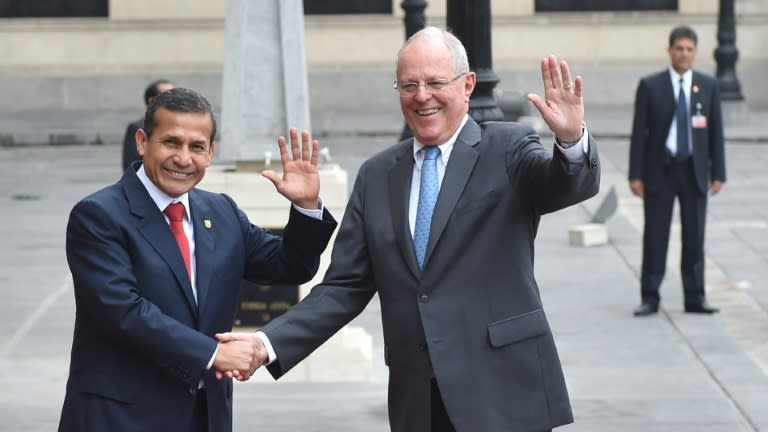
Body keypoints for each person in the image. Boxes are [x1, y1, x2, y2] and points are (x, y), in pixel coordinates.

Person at [217, 26, 600, 431]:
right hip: (419, 400)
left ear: (468, 85)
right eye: (409, 84)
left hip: (504, 393)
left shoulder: (507, 147)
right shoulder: (377, 175)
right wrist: (265, 343)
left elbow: (564, 184)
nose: (422, 96)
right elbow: (343, 287)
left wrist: (571, 140)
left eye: (436, 82)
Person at [58, 87, 337, 432]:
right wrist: (212, 353)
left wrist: (306, 207)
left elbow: (290, 266)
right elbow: (122, 311)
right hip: (122, 417)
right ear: (143, 141)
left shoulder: (221, 211)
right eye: (171, 143)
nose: (184, 158)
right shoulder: (99, 215)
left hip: (205, 417)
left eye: (197, 147)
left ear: (211, 152)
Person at [629, 25, 726, 317]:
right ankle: (650, 296)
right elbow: (639, 134)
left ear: (695, 53)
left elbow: (715, 134)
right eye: (679, 48)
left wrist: (718, 172)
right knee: (655, 234)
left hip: (694, 170)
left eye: (689, 49)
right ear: (670, 50)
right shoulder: (650, 85)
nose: (684, 54)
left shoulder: (708, 87)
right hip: (660, 170)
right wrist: (635, 174)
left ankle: (695, 296)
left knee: (695, 236)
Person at [121, 79, 174, 171]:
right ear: (152, 99)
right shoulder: (137, 127)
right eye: (168, 94)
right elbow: (130, 165)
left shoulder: (179, 125)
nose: (174, 98)